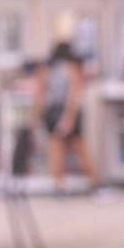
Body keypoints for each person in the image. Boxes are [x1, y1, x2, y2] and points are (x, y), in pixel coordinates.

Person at [36, 41, 102, 195]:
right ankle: (94, 185)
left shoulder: (46, 69)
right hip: (66, 111)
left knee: (55, 150)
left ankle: (59, 187)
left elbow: (39, 95)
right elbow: (73, 95)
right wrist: (69, 117)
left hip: (51, 112)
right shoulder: (71, 68)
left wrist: (36, 117)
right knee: (79, 149)